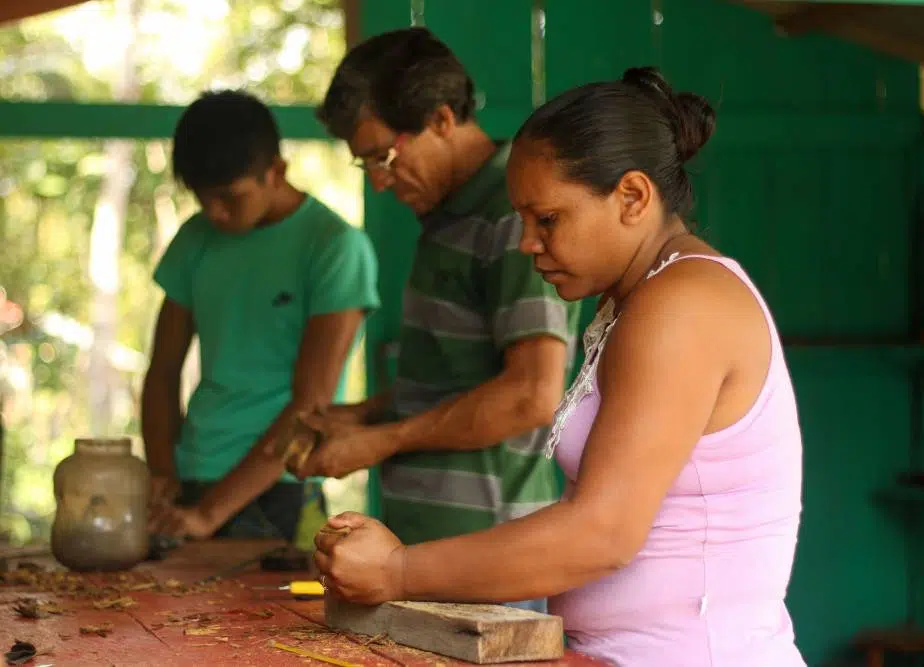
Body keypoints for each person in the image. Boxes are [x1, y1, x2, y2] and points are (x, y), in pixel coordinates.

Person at [311, 66, 806, 667]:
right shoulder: (637, 298)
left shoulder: (682, 305)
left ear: (632, 197)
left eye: (547, 219)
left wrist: (398, 570)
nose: (527, 243)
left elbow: (602, 533)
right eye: (522, 220)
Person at [299, 28, 580, 612]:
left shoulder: (511, 219)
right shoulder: (446, 216)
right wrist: (363, 416)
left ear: (443, 118)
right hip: (427, 556)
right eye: (365, 164)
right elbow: (457, 378)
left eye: (384, 157)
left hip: (489, 561)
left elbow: (531, 395)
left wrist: (381, 441)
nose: (377, 180)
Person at [141, 89, 379, 544]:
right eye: (201, 198)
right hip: (192, 477)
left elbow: (310, 405)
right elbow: (162, 371)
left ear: (277, 171)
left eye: (230, 197)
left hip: (281, 487)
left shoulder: (333, 246)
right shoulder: (195, 239)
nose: (214, 212)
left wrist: (210, 514)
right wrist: (162, 473)